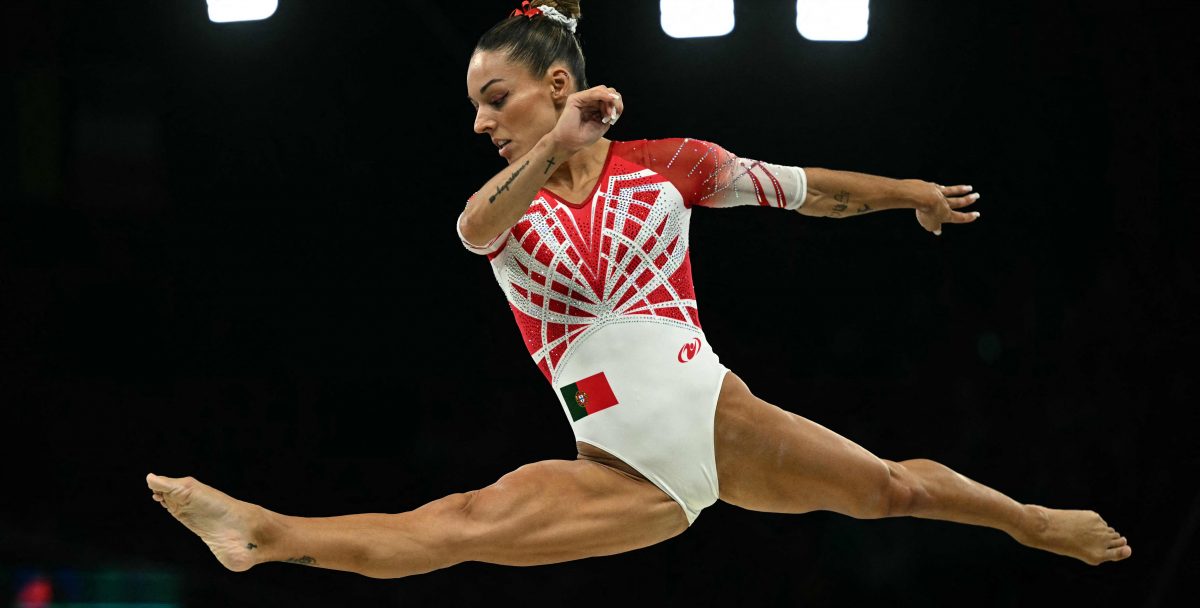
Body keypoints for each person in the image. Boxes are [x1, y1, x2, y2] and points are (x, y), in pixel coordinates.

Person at [147, 1, 1131, 578]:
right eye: (476, 108)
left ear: (554, 80)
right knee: (459, 527)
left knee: (890, 490)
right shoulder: (503, 203)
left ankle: (1030, 521)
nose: (484, 123)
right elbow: (476, 229)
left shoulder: (674, 166)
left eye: (497, 100)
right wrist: (557, 145)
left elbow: (808, 191)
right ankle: (263, 536)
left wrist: (907, 192)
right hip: (629, 470)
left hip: (706, 411)